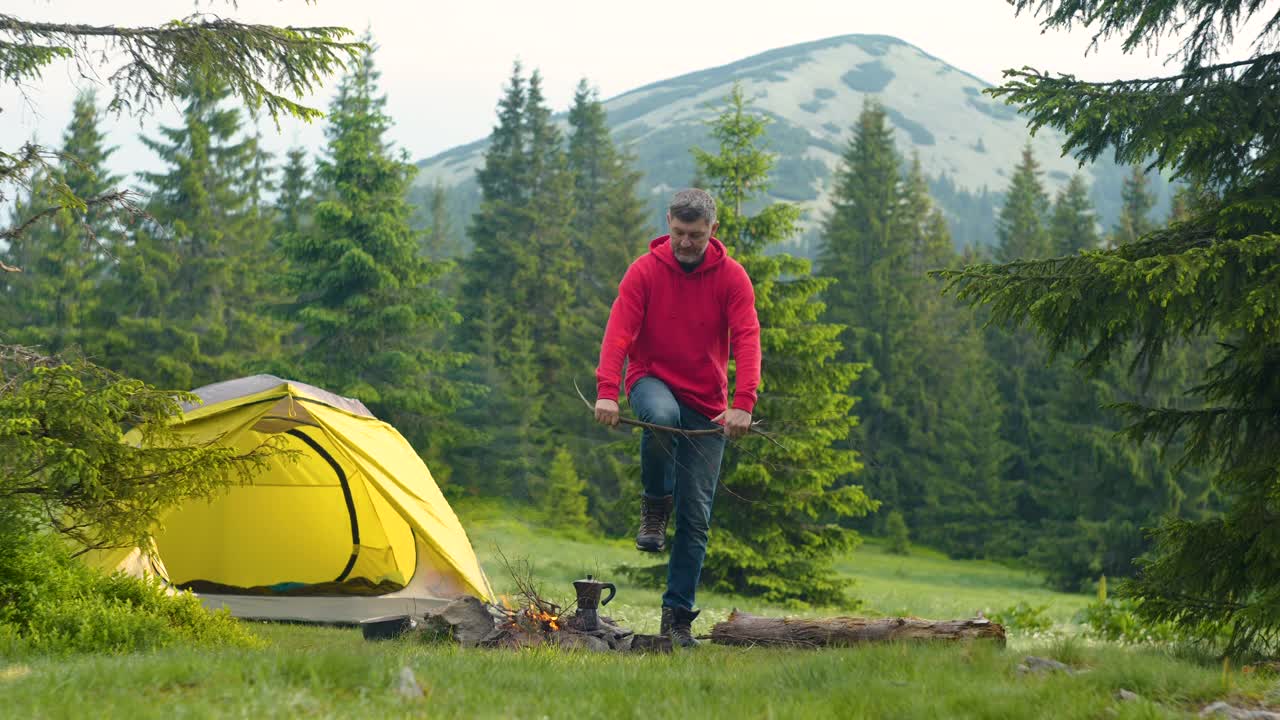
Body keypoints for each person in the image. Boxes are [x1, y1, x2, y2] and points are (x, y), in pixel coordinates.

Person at [593, 188, 761, 648]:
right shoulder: (645, 272)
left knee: (696, 517)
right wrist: (608, 391)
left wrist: (743, 402)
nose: (686, 242)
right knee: (662, 417)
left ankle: (676, 620)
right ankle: (653, 503)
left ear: (713, 230)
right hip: (651, 381)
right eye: (679, 232)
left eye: (696, 234)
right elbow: (619, 332)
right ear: (668, 221)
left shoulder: (732, 278)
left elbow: (747, 338)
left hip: (709, 405)